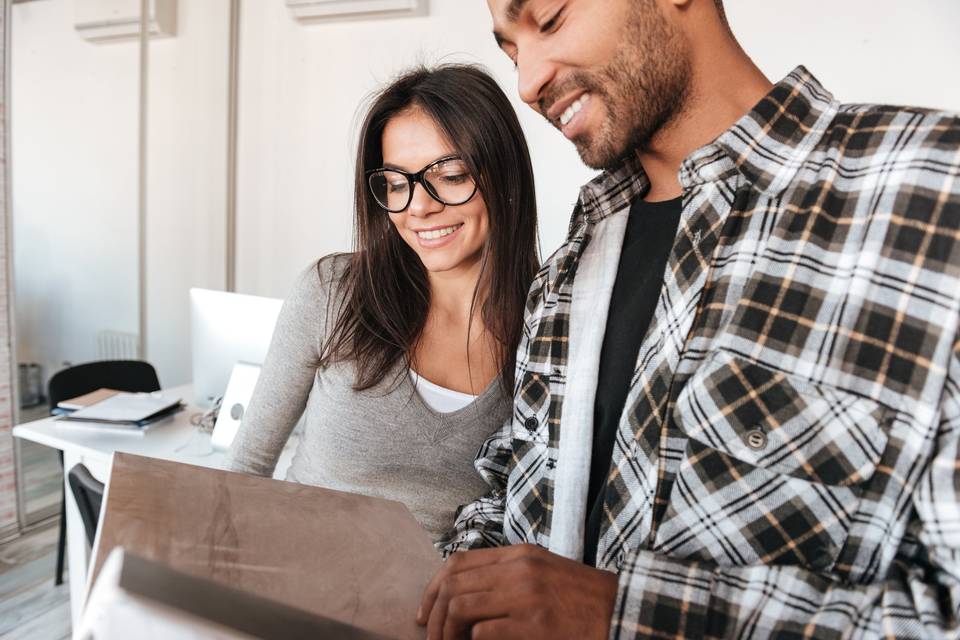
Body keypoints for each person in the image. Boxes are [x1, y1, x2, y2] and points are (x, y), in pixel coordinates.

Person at [418, 1, 960, 638]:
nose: (528, 82)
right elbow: (520, 489)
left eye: (551, 17)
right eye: (511, 50)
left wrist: (622, 616)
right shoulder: (567, 269)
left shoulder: (931, 195)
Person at [226, 64, 539, 543]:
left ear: (505, 175)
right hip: (296, 587)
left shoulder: (545, 332)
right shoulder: (333, 291)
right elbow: (245, 469)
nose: (418, 207)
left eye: (451, 175)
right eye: (396, 183)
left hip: (429, 612)